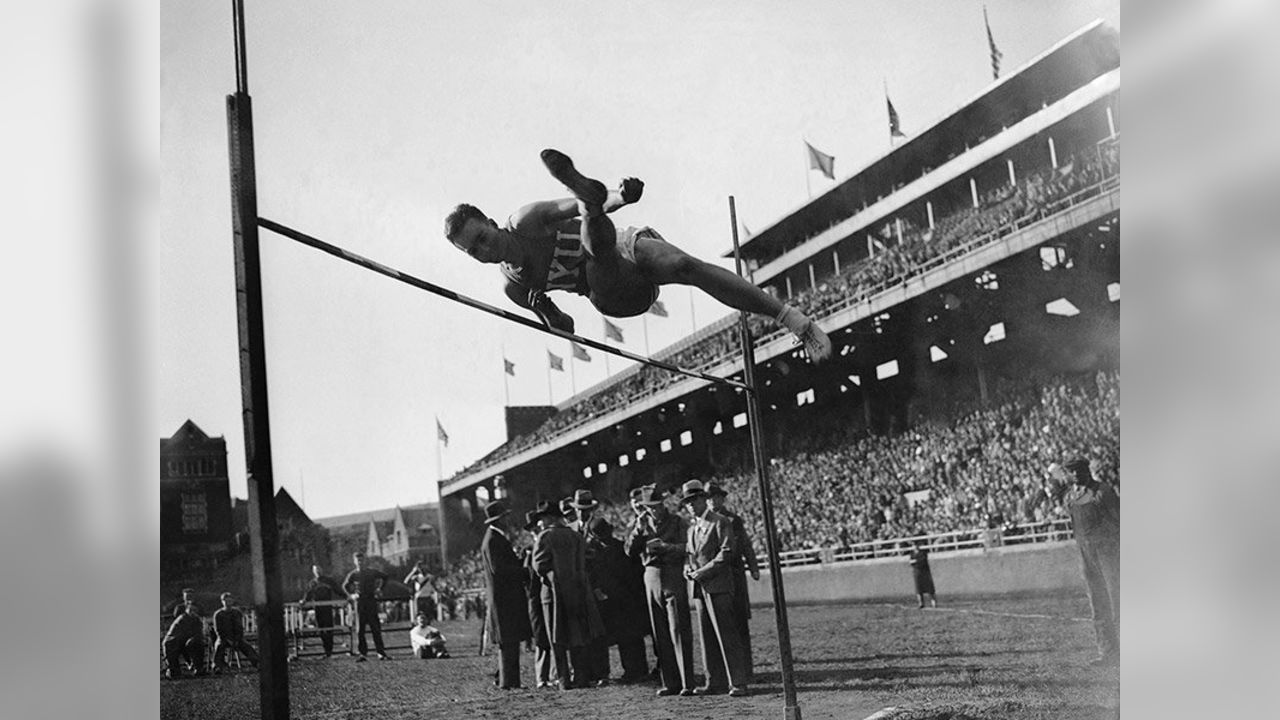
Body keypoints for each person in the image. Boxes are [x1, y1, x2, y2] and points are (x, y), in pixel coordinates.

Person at [444, 149, 832, 363]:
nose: (483, 249)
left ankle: (796, 321)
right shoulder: (514, 288)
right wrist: (546, 312)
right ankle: (593, 207)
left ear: (492, 222)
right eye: (473, 250)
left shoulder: (526, 221)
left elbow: (572, 205)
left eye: (481, 237)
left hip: (623, 243)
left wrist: (620, 197)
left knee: (684, 266)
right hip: (614, 294)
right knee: (597, 259)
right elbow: (566, 328)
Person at [624, 484, 696, 697]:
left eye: (656, 506)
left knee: (679, 630)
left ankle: (687, 682)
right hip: (651, 575)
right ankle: (670, 682)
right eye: (649, 507)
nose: (653, 510)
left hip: (672, 573)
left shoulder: (677, 521)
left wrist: (666, 547)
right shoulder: (640, 523)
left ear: (663, 504)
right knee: (660, 632)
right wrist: (638, 530)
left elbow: (688, 547)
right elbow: (628, 551)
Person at [680, 480, 749, 697]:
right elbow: (690, 556)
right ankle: (714, 682)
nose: (691, 505)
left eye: (694, 500)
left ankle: (738, 682)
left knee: (726, 635)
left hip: (718, 587)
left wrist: (703, 572)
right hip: (700, 589)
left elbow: (727, 553)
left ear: (703, 499)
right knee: (707, 638)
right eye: (687, 502)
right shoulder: (692, 528)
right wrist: (688, 569)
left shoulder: (720, 522)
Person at [1052, 456, 1120, 667]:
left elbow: (1119, 520)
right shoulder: (1071, 497)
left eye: (1071, 472)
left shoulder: (1102, 492)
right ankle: (1108, 652)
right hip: (1086, 555)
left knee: (1118, 600)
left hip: (1108, 552)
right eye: (1067, 473)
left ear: (1080, 471)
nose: (1069, 476)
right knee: (1098, 604)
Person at [532, 499, 605, 690]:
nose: (540, 522)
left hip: (553, 595)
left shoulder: (544, 537)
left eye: (542, 518)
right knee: (577, 636)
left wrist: (552, 577)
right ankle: (581, 677)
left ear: (549, 518)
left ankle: (563, 679)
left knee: (557, 638)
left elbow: (539, 565)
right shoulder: (575, 536)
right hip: (576, 592)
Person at [585, 516, 651, 684]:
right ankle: (630, 670)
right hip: (611, 599)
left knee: (628, 636)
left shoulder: (612, 549)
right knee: (622, 636)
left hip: (621, 599)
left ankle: (634, 670)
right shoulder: (600, 550)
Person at [706, 482, 760, 680]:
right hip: (715, 576)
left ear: (722, 499)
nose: (712, 501)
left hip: (734, 573)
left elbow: (745, 544)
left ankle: (745, 670)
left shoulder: (733, 520)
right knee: (719, 624)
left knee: (738, 622)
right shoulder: (704, 522)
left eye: (716, 497)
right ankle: (724, 672)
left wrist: (753, 566)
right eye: (709, 498)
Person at [479, 500, 533, 689]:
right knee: (508, 642)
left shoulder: (493, 538)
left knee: (509, 642)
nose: (508, 520)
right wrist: (525, 571)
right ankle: (509, 682)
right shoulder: (494, 540)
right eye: (505, 517)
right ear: (499, 519)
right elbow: (500, 570)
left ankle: (508, 681)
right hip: (504, 599)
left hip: (503, 598)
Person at [521, 506, 555, 688]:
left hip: (548, 594)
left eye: (537, 528)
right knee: (541, 637)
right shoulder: (528, 551)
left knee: (553, 635)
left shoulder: (546, 544)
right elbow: (526, 578)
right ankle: (542, 677)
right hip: (535, 598)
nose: (536, 532)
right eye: (533, 530)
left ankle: (553, 674)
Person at [343, 551, 390, 661]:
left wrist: (379, 589)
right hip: (360, 602)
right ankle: (363, 654)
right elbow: (345, 586)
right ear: (354, 562)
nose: (360, 562)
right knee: (360, 629)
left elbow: (385, 577)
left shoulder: (372, 572)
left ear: (365, 560)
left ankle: (380, 652)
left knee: (375, 628)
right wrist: (352, 595)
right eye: (358, 560)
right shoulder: (353, 574)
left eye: (362, 560)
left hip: (371, 601)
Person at [300, 564, 343, 658]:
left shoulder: (329, 581)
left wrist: (347, 597)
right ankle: (326, 650)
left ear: (322, 570)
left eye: (319, 569)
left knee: (329, 629)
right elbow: (307, 595)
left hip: (327, 608)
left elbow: (338, 590)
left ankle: (329, 651)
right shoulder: (312, 583)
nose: (318, 571)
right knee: (321, 629)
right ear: (313, 572)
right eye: (315, 570)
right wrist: (303, 601)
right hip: (318, 609)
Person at [211, 592, 260, 672]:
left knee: (247, 646)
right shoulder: (218, 614)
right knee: (219, 647)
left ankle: (257, 663)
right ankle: (218, 666)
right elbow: (218, 630)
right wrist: (227, 640)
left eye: (230, 601)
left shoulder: (237, 613)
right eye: (226, 601)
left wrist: (237, 639)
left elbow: (240, 628)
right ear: (222, 602)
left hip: (236, 638)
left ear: (232, 601)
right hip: (223, 638)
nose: (228, 603)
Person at [161, 603, 206, 679]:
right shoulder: (182, 619)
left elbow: (199, 634)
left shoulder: (197, 620)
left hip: (185, 642)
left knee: (197, 643)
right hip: (173, 642)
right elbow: (180, 635)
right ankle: (172, 670)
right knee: (174, 673)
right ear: (186, 610)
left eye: (194, 610)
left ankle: (198, 668)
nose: (193, 612)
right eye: (190, 610)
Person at [907, 540, 938, 609]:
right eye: (914, 545)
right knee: (918, 589)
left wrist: (915, 561)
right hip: (917, 573)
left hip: (925, 572)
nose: (915, 547)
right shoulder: (912, 554)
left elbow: (922, 561)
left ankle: (934, 603)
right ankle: (921, 603)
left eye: (916, 545)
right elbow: (910, 562)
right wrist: (913, 562)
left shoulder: (923, 553)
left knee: (930, 589)